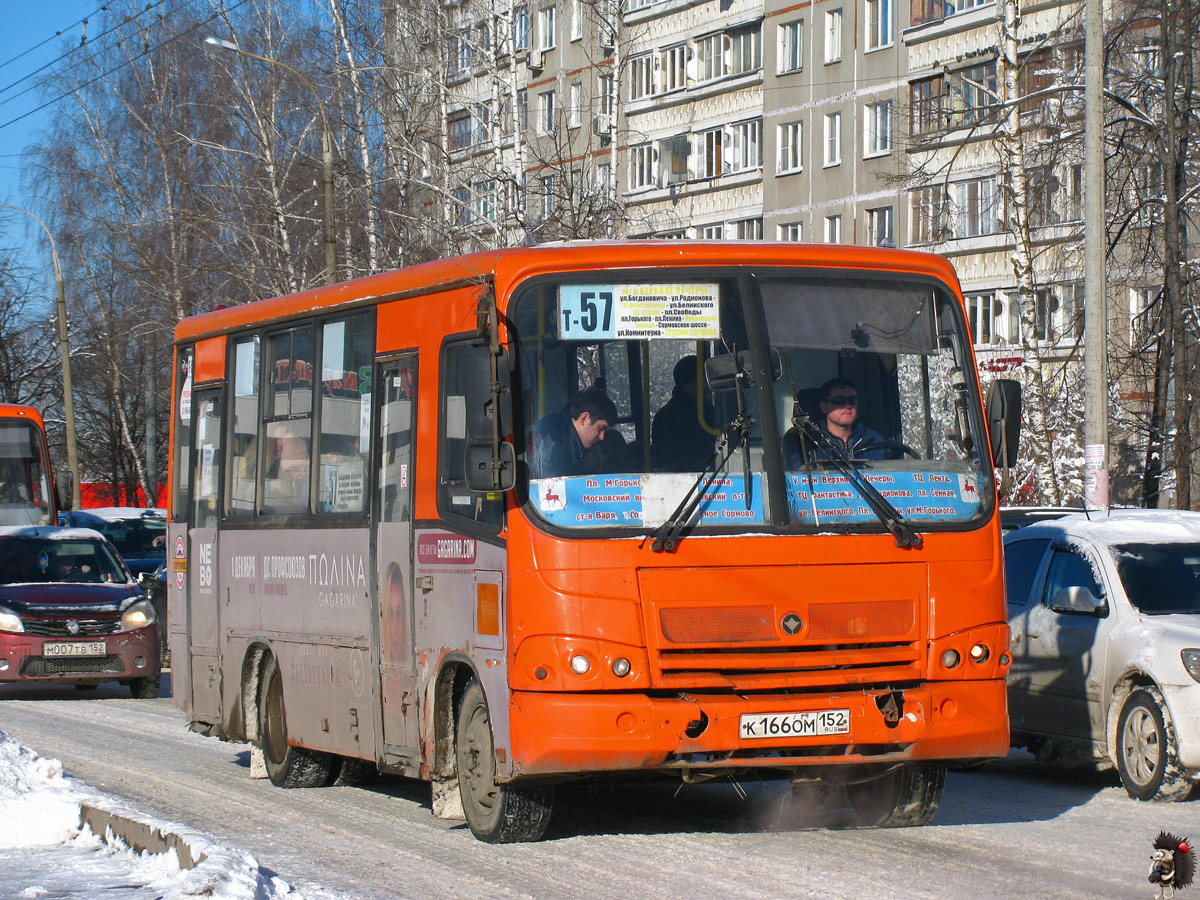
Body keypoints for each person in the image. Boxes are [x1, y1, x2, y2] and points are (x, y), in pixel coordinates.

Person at [785, 376, 886, 465]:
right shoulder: (805, 441)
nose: (848, 406)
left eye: (852, 400)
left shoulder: (873, 439)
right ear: (824, 406)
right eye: (839, 401)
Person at [530, 388, 618, 479]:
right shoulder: (555, 442)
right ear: (584, 418)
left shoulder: (560, 434)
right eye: (600, 428)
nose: (601, 437)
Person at [651, 356, 716, 472]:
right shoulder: (703, 413)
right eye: (704, 379)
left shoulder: (662, 415)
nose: (707, 385)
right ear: (689, 384)